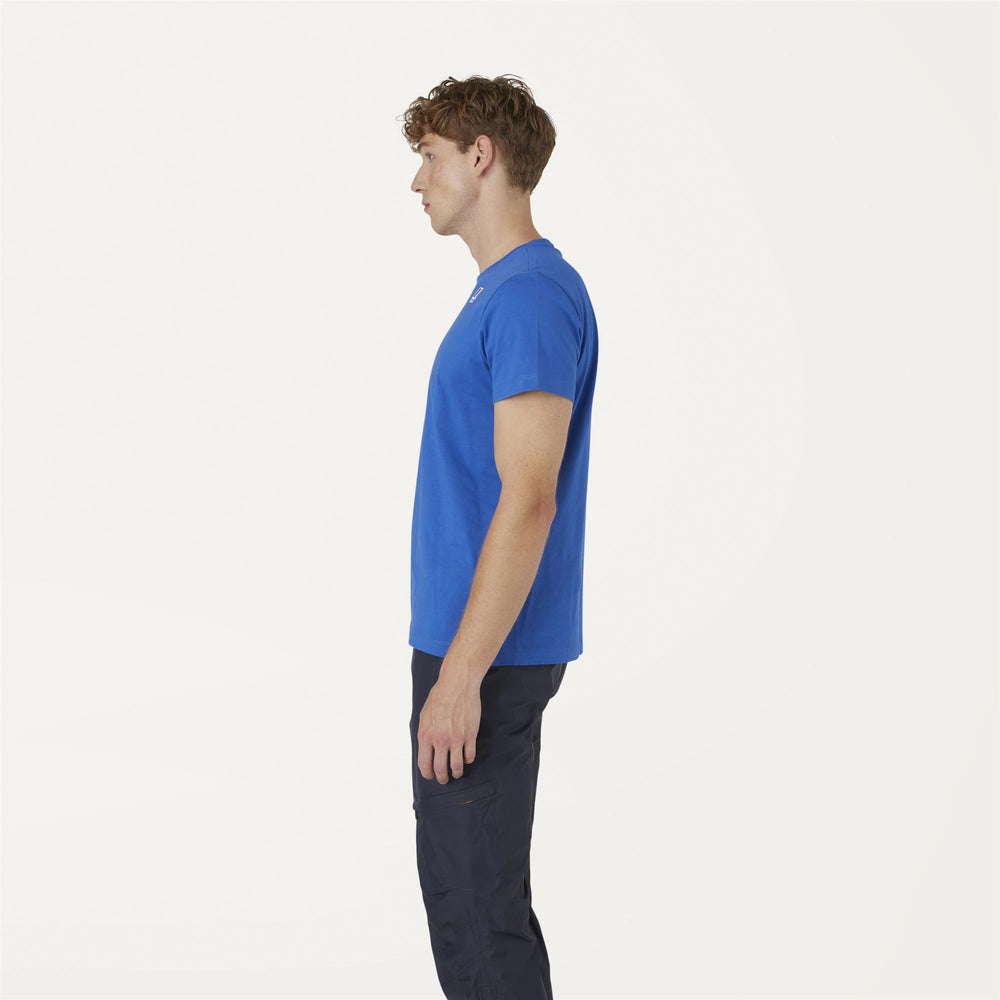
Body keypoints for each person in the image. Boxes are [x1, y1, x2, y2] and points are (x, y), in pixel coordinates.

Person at [400, 73, 599, 1000]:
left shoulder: (529, 299)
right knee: (471, 912)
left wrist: (460, 679)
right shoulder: (502, 294)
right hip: (472, 648)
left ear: (481, 156)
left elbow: (530, 499)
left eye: (430, 156)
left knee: (479, 925)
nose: (418, 181)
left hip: (486, 657)